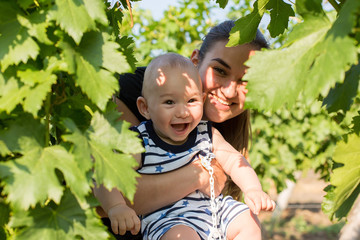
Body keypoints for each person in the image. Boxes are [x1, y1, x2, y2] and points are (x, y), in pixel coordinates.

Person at [94, 20, 270, 239]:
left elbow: (235, 162)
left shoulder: (208, 133)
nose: (230, 91)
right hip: (170, 222)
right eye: (220, 70)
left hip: (211, 215)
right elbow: (108, 183)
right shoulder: (138, 104)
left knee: (249, 221)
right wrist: (200, 176)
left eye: (245, 80)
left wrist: (253, 189)